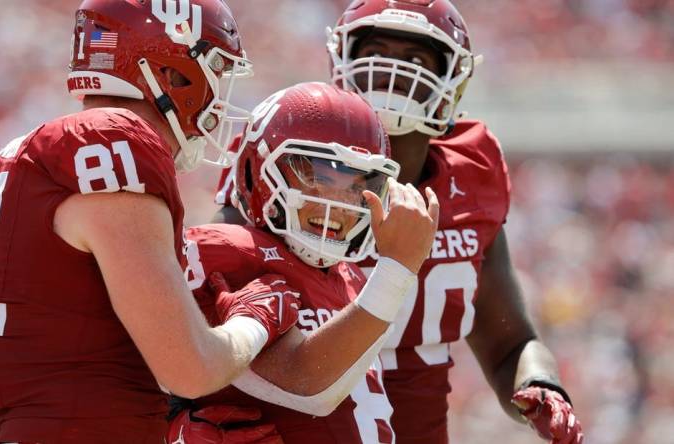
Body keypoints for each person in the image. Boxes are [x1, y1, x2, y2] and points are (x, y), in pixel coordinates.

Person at [214, 1, 584, 443]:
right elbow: (216, 301)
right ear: (344, 57)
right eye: (377, 51)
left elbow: (508, 343)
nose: (392, 70)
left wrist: (542, 384)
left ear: (451, 78)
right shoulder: (286, 153)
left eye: (415, 59)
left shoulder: (471, 171)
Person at [0, 1, 300, 442]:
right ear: (170, 73)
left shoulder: (30, 152)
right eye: (215, 70)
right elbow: (190, 368)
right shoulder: (114, 138)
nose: (220, 95)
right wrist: (256, 318)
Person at [166, 82, 440, 443]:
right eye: (317, 177)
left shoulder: (351, 277)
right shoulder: (224, 250)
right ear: (257, 167)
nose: (338, 201)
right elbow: (308, 386)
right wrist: (395, 270)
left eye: (356, 185)